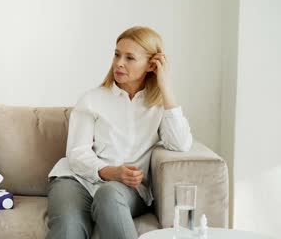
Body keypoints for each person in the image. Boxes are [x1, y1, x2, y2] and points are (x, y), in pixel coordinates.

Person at [47, 26, 193, 239]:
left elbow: (180, 144)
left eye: (130, 58)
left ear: (151, 65)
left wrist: (165, 87)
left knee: (108, 193)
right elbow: (77, 154)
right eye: (117, 54)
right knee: (68, 229)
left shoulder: (159, 105)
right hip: (76, 180)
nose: (119, 63)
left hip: (125, 190)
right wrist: (110, 171)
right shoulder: (91, 99)